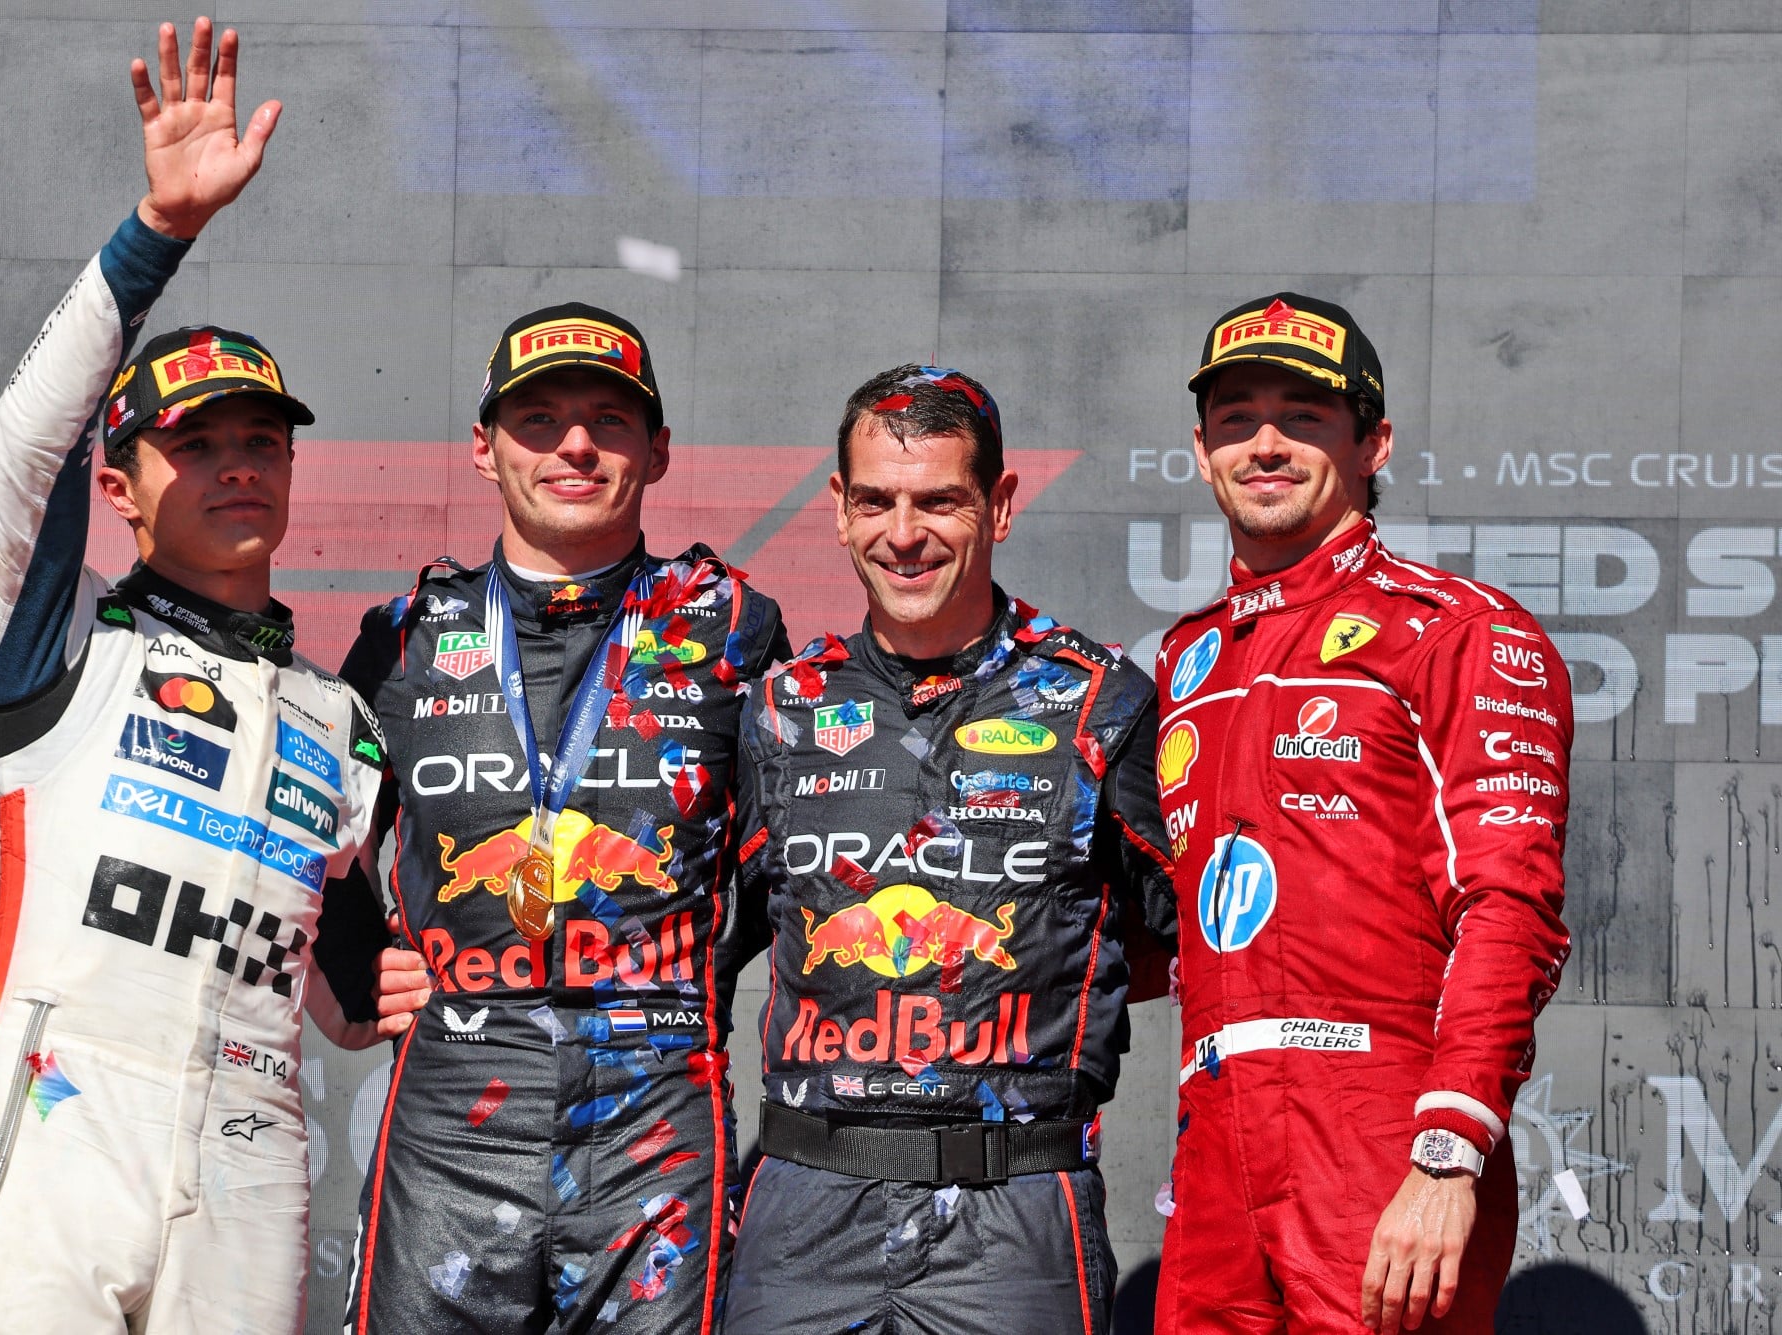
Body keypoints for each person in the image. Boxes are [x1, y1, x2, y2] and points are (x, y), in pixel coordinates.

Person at [0, 21, 390, 1333]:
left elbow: (365, 994)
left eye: (263, 440)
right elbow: (27, 446)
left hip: (253, 1149)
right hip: (62, 1111)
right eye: (196, 444)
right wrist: (155, 234)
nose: (239, 463)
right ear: (122, 484)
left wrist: (515, 894)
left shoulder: (344, 724)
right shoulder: (50, 656)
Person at [330, 304, 791, 1333]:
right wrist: (362, 969)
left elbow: (791, 859)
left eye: (607, 421)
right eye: (537, 420)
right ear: (486, 452)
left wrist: (692, 973)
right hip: (455, 1103)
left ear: (657, 450)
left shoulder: (728, 626)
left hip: (654, 1105)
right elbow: (303, 840)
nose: (573, 444)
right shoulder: (405, 637)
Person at [719, 365, 1176, 1334]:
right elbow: (693, 948)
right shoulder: (777, 710)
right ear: (837, 510)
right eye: (875, 501)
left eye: (939, 502)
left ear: (1000, 505)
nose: (903, 534)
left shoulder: (1100, 702)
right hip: (803, 1203)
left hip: (1013, 1210)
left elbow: (1183, 939)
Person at [1153, 294, 1572, 1335]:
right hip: (1216, 1135)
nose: (1264, 443)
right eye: (1234, 417)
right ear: (1199, 450)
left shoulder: (1455, 632)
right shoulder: (1182, 659)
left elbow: (1508, 905)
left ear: (1371, 441)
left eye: (1303, 416)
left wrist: (1445, 1152)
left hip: (1380, 1128)